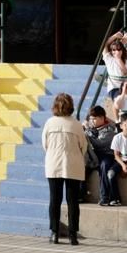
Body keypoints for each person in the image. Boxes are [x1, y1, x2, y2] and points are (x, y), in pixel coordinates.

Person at [42, 92, 88, 244]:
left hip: (53, 164)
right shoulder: (76, 124)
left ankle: (54, 233)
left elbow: (45, 144)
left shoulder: (49, 123)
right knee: (72, 201)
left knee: (54, 200)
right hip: (73, 164)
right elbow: (84, 146)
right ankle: (73, 235)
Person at [85, 106, 120, 206]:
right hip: (94, 155)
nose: (92, 121)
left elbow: (99, 144)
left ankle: (105, 197)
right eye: (91, 119)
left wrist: (87, 132)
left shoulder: (110, 129)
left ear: (102, 118)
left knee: (104, 166)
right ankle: (80, 194)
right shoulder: (91, 129)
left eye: (95, 118)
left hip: (107, 155)